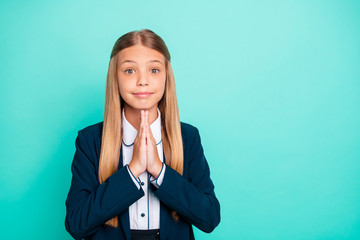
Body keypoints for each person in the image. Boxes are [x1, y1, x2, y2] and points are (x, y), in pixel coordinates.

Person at [65, 29, 220, 240]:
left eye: (154, 70)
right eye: (130, 70)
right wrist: (133, 170)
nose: (142, 81)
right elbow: (76, 223)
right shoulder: (90, 140)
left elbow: (209, 217)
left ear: (167, 76)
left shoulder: (188, 137)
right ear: (115, 77)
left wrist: (158, 169)